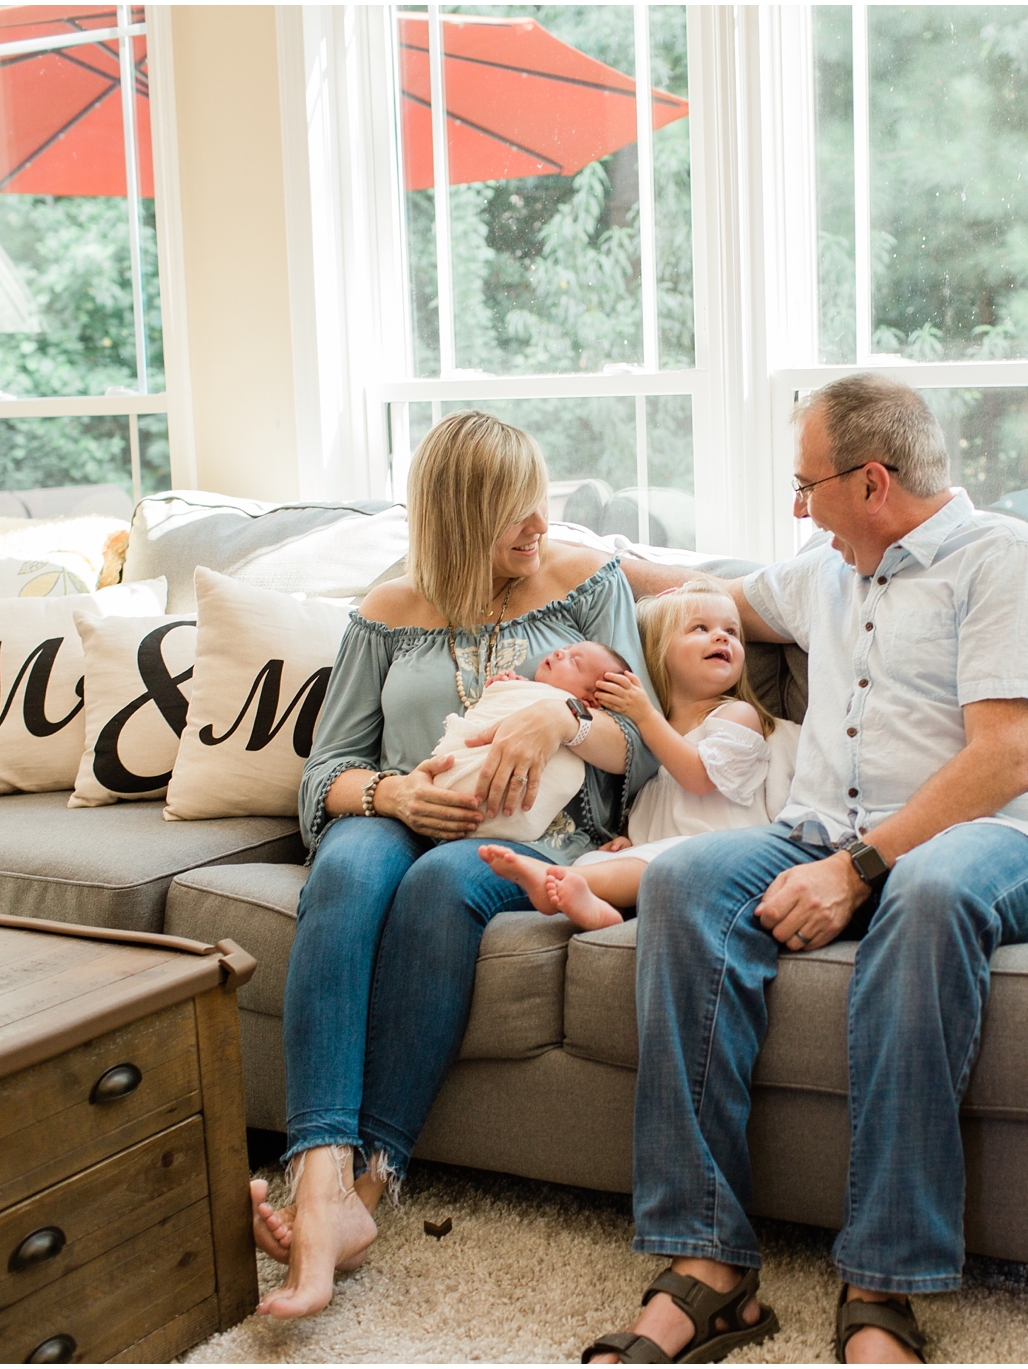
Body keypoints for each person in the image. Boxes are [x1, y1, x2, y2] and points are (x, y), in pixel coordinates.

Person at [589, 374, 1028, 1364]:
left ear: (869, 481)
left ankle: (882, 1287)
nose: (792, 506)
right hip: (824, 831)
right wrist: (569, 561)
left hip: (999, 837)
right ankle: (709, 1268)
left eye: (802, 483)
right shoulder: (826, 570)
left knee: (929, 892)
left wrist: (857, 870)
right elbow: (707, 589)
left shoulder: (1005, 563)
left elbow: (1001, 761)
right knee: (685, 882)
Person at [252, 409, 658, 1320]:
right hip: (406, 804)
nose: (538, 525)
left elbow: (646, 747)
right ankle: (318, 1183)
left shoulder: (588, 585)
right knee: (352, 868)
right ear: (460, 513)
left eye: (541, 502)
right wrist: (392, 796)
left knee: (440, 883)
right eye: (515, 509)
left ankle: (369, 1190)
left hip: (540, 836)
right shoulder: (389, 610)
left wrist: (563, 717)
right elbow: (326, 772)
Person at [480, 577, 801, 930]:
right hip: (662, 857)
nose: (722, 636)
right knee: (594, 860)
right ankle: (600, 912)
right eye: (700, 628)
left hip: (721, 855)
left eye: (733, 632)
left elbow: (697, 778)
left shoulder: (734, 714)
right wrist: (630, 839)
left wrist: (645, 715)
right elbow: (660, 808)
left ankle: (555, 877)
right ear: (658, 651)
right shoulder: (648, 743)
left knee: (659, 862)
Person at [429, 639, 632, 842]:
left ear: (589, 703)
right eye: (566, 649)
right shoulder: (521, 688)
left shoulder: (576, 712)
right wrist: (503, 686)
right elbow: (493, 707)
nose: (560, 652)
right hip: (440, 780)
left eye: (575, 662)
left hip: (496, 809)